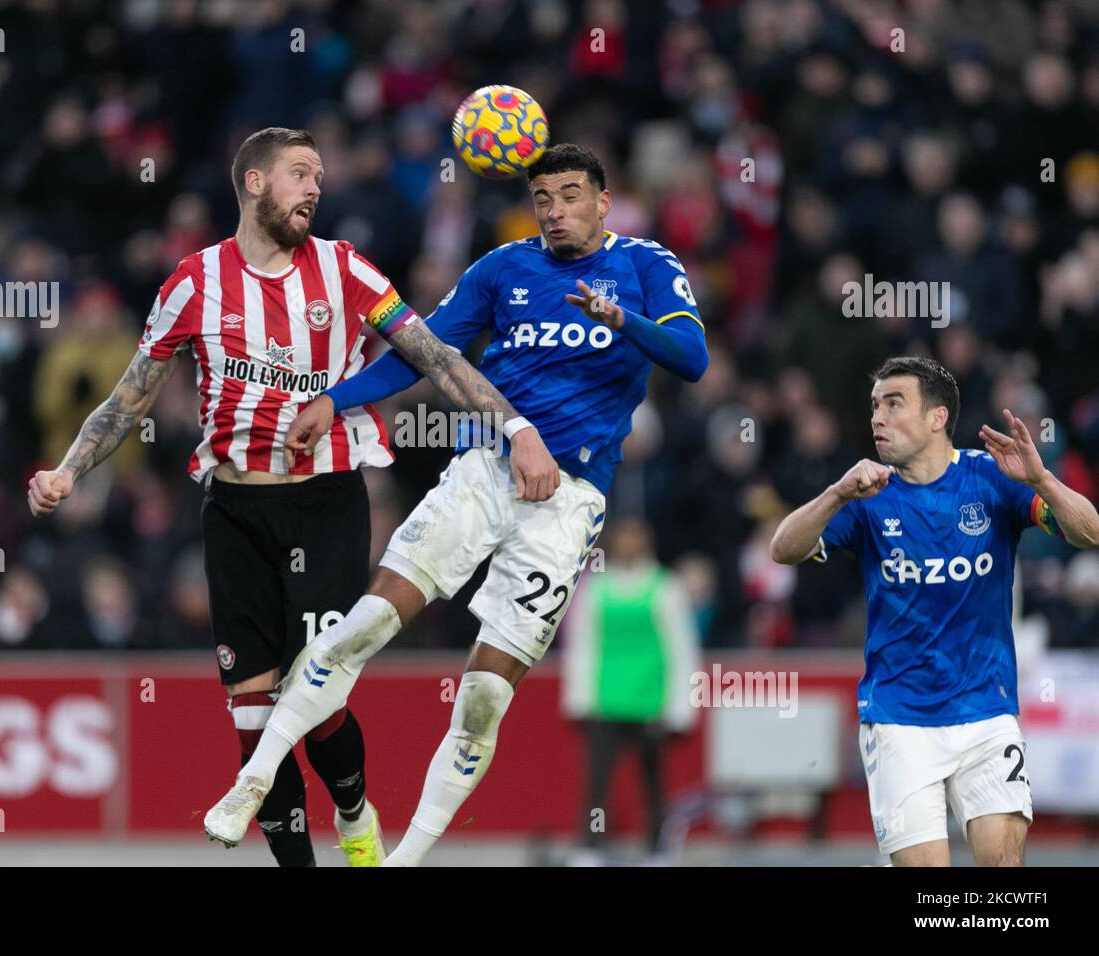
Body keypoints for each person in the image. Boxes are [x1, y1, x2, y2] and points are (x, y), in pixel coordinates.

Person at [27, 127, 555, 867]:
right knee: (251, 717)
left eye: (320, 176)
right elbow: (128, 399)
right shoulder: (194, 281)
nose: (315, 188)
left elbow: (434, 355)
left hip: (324, 502)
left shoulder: (346, 272)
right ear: (252, 183)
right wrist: (67, 472)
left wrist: (518, 427)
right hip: (234, 512)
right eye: (300, 174)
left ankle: (354, 811)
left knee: (316, 699)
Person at [205, 143, 709, 866]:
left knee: (481, 704)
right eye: (543, 200)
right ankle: (252, 781)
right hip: (486, 471)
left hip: (568, 506)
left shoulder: (647, 266)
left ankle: (403, 860)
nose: (556, 211)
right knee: (363, 626)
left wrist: (620, 317)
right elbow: (423, 349)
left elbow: (692, 360)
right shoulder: (503, 268)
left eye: (571, 195)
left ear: (604, 201)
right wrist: (334, 399)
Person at [769, 356, 1099, 866]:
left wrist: (1042, 481)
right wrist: (835, 493)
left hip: (987, 711)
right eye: (875, 405)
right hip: (900, 720)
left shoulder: (993, 479)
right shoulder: (866, 495)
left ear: (937, 417)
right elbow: (783, 549)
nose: (877, 417)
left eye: (894, 403)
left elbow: (1090, 532)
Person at [560, 516, 700, 864]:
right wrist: (578, 697)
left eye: (636, 537)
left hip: (650, 700)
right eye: (623, 537)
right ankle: (590, 846)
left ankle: (656, 848)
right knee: (597, 782)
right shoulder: (595, 589)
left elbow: (681, 648)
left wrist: (681, 706)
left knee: (653, 781)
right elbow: (581, 644)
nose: (629, 545)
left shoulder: (666, 587)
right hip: (606, 700)